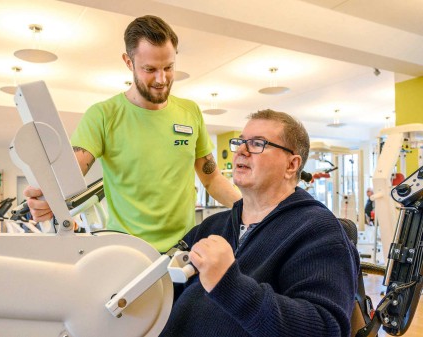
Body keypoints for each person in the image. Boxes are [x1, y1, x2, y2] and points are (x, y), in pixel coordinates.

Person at [24, 15, 241, 252]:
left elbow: (211, 178)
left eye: (168, 67)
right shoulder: (103, 115)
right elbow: (71, 171)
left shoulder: (190, 111)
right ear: (128, 62)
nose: (162, 79)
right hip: (128, 252)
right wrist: (49, 197)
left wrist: (250, 208)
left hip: (184, 249)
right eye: (150, 69)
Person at [160, 109, 359, 337]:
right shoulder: (211, 227)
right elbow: (160, 286)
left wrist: (229, 284)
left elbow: (324, 328)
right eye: (240, 142)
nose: (241, 151)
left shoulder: (318, 231)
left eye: (257, 144)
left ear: (291, 165)